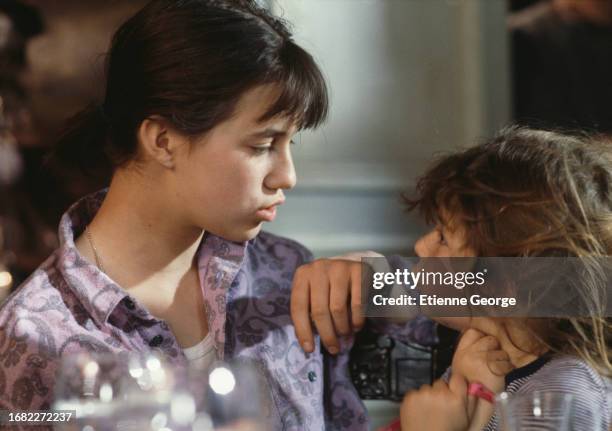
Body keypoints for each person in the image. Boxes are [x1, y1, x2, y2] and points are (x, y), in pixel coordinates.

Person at [0, 1, 401, 429]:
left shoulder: (286, 274)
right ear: (163, 140)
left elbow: (478, 315)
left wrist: (398, 285)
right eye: (263, 145)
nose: (287, 176)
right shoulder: (36, 338)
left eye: (290, 145)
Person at [291, 127, 611, 430]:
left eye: (443, 237)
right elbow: (396, 286)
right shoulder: (482, 359)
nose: (421, 245)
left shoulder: (562, 399)